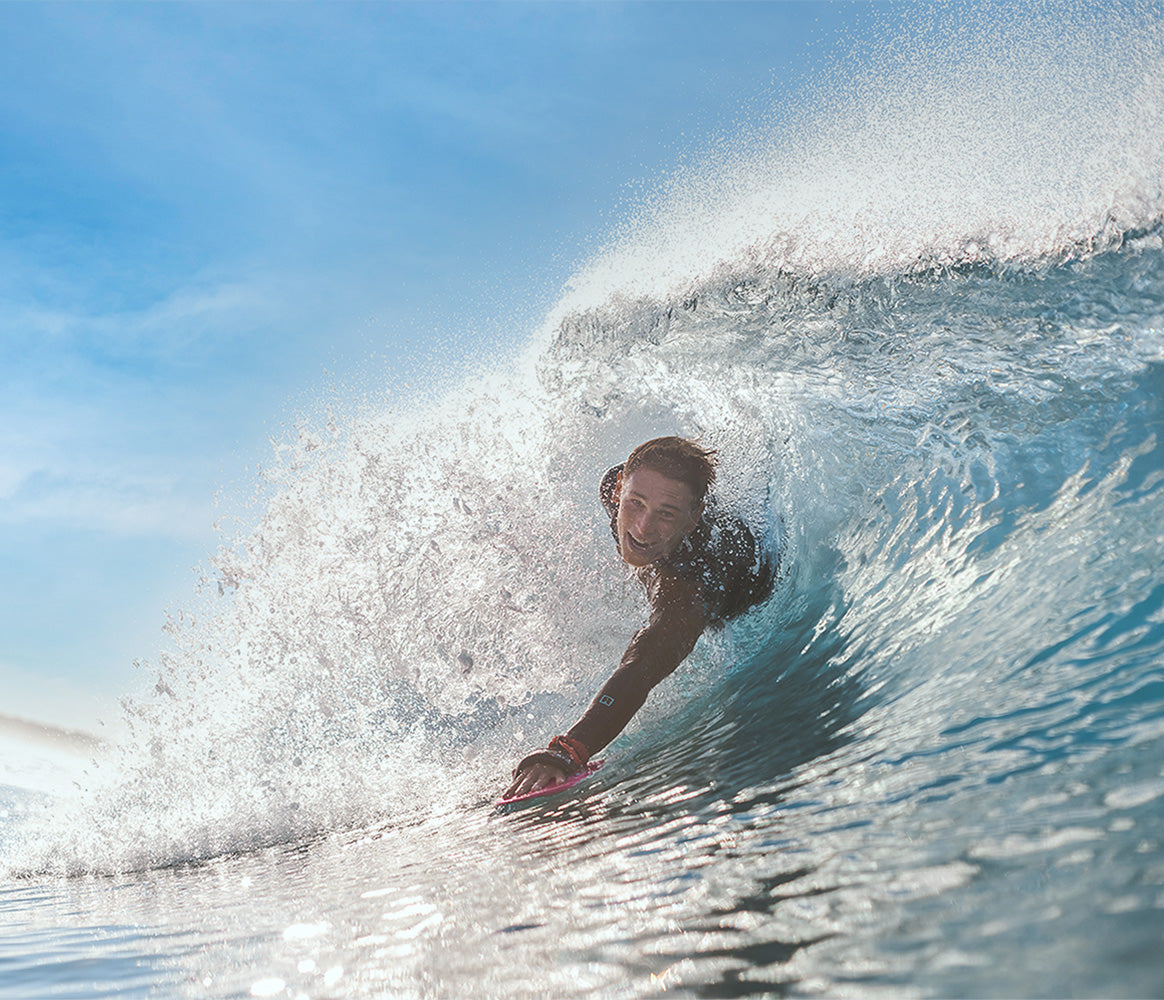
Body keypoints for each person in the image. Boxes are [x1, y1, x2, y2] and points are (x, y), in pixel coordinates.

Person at [504, 436, 778, 799]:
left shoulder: (693, 588)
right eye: (635, 503)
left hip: (749, 587)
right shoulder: (612, 487)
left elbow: (642, 664)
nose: (643, 527)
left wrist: (569, 751)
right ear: (620, 490)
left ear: (694, 518)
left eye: (667, 513)